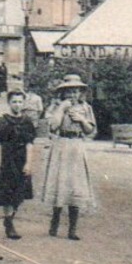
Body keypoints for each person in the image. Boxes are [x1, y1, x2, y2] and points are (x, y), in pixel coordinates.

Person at [38, 74, 98, 239]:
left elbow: (90, 130)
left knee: (76, 186)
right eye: (69, 92)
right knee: (60, 183)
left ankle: (73, 229)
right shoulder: (56, 106)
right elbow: (53, 126)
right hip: (62, 145)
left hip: (77, 146)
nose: (73, 95)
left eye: (76, 91)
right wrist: (62, 109)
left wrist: (81, 120)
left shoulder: (86, 108)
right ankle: (55, 222)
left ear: (81, 92)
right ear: (63, 93)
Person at [0, 90, 38, 240]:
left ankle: (9, 218)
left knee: (19, 193)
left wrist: (29, 163)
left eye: (20, 102)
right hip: (7, 159)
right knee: (7, 193)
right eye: (14, 102)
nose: (17, 105)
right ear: (9, 103)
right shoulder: (2, 121)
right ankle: (9, 223)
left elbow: (30, 144)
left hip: (21, 159)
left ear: (24, 103)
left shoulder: (27, 122)